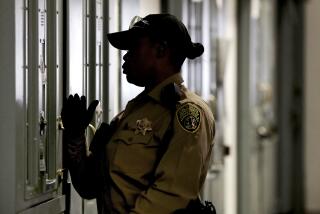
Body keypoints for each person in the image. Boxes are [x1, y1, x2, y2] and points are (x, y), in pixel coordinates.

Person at [61, 13, 215, 214]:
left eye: (134, 47)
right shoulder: (129, 115)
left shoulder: (187, 113)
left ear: (161, 50)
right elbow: (90, 186)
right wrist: (75, 137)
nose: (125, 55)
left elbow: (170, 197)